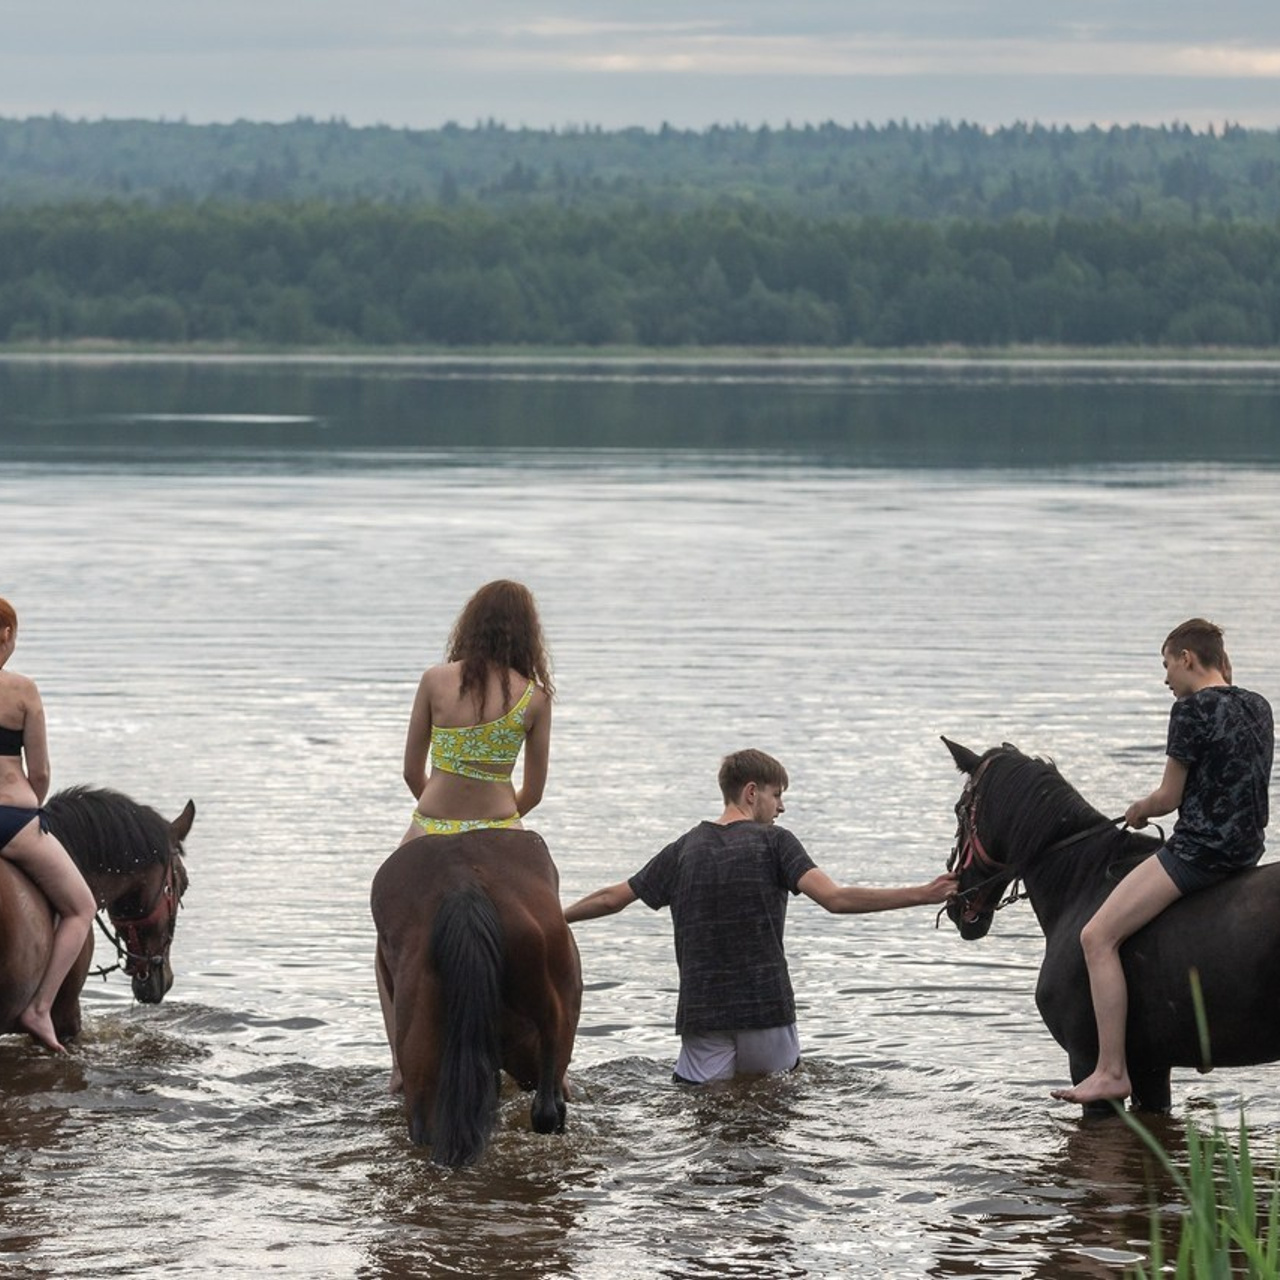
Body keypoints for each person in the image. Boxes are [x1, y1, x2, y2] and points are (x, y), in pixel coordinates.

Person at [563, 748, 957, 1084]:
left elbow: (611, 898)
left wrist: (555, 919)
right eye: (777, 794)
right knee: (773, 1114)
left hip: (703, 1014)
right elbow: (835, 899)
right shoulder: (776, 842)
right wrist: (923, 893)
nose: (781, 806)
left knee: (704, 1122)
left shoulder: (682, 849)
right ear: (752, 792)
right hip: (766, 1010)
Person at [1052, 619, 1273, 1105]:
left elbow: (1170, 797)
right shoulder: (1259, 705)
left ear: (1188, 658)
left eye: (1167, 664)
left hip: (1199, 854)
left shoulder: (1190, 710)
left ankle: (1111, 1070)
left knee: (1096, 936)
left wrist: (1139, 809)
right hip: (1247, 850)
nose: (1166, 679)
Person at [0, 597, 97, 1054]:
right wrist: (30, 808)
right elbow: (39, 772)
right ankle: (39, 1008)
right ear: (6, 635)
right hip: (13, 820)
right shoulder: (23, 691)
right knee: (81, 908)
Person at [397, 579, 554, 845]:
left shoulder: (434, 680)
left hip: (432, 823)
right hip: (498, 824)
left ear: (470, 625)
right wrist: (494, 822)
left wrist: (444, 810)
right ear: (528, 634)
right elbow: (533, 792)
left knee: (391, 885)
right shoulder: (536, 698)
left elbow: (411, 772)